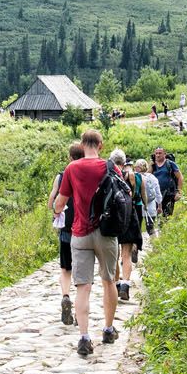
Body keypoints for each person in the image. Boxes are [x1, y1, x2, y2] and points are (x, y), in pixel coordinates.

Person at [53, 129, 120, 357]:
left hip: (80, 234)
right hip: (106, 232)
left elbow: (60, 202)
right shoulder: (110, 166)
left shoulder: (72, 168)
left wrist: (57, 211)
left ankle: (84, 337)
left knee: (83, 286)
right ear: (100, 145)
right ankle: (108, 329)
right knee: (109, 280)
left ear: (82, 145)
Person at [47, 142, 83, 326]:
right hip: (83, 229)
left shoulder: (61, 177)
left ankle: (65, 296)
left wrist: (55, 212)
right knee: (82, 272)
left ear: (70, 157)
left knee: (65, 268)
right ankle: (79, 308)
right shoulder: (86, 175)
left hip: (66, 229)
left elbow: (52, 199)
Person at [112, 149, 143, 301]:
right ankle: (125, 284)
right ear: (124, 162)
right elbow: (133, 194)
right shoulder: (130, 175)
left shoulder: (108, 176)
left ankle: (117, 284)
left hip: (113, 219)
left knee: (115, 255)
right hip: (128, 216)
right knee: (126, 254)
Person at [151, 146, 182, 224]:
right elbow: (146, 176)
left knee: (167, 216)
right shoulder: (153, 165)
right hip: (156, 194)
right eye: (156, 153)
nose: (158, 155)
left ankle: (163, 232)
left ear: (164, 154)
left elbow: (180, 177)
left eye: (160, 153)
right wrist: (150, 166)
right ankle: (155, 232)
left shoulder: (170, 164)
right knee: (154, 215)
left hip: (169, 194)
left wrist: (179, 192)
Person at [136, 158, 162, 237]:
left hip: (138, 205)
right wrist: (160, 206)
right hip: (151, 205)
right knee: (151, 228)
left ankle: (136, 248)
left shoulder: (135, 177)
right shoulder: (152, 177)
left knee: (137, 228)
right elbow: (158, 193)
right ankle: (156, 246)